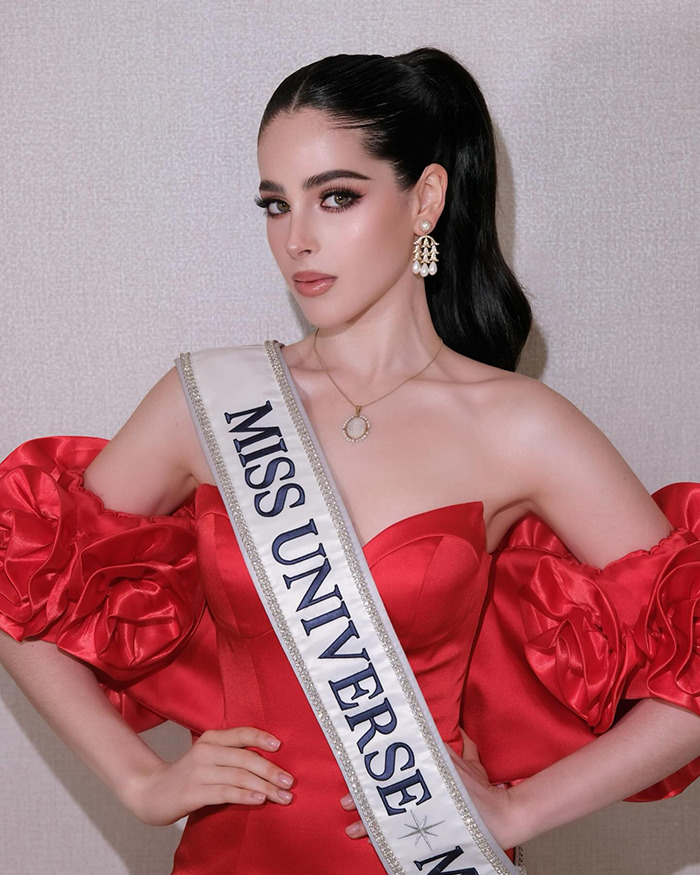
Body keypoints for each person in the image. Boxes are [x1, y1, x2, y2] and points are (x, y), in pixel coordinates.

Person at [0, 47, 698, 874]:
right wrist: (139, 780)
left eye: (336, 197)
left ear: (425, 200)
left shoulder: (520, 427)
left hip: (429, 856)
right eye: (274, 204)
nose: (297, 239)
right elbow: (21, 575)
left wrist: (521, 805)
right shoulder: (211, 401)